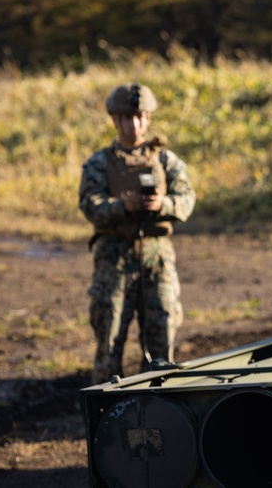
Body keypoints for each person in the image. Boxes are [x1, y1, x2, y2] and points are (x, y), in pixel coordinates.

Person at [79, 83, 197, 385]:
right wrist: (123, 206)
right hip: (114, 258)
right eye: (128, 117)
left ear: (149, 118)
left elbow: (187, 199)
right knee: (109, 340)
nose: (135, 124)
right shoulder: (100, 163)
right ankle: (106, 414)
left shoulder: (165, 161)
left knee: (162, 336)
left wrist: (163, 204)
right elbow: (89, 203)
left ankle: (161, 409)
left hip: (157, 257)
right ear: (115, 119)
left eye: (141, 116)